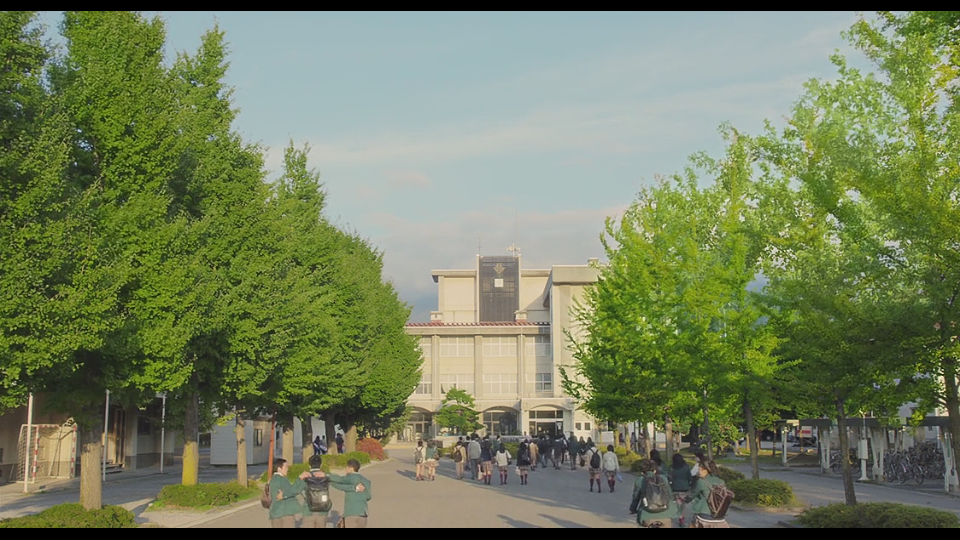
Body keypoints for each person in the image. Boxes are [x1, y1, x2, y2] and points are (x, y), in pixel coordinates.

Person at [629, 459, 680, 528]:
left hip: (646, 515)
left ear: (642, 472)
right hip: (666, 514)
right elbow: (670, 496)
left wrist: (633, 509)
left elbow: (636, 498)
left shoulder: (640, 480)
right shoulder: (663, 478)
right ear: (655, 470)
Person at [325, 459, 371, 528]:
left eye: (347, 467)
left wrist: (327, 476)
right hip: (363, 513)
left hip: (350, 513)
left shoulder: (350, 477)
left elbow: (340, 480)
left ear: (351, 469)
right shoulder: (366, 481)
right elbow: (368, 496)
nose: (346, 469)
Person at [268, 458, 311, 528]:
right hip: (285, 512)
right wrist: (301, 479)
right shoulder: (282, 479)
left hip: (275, 513)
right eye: (286, 466)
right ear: (279, 468)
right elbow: (293, 490)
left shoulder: (272, 479)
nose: (287, 469)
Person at [685, 460, 729, 528]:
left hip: (704, 516)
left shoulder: (701, 481)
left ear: (705, 470)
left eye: (699, 469)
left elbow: (693, 494)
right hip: (720, 515)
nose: (698, 472)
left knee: (692, 524)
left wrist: (686, 499)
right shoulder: (721, 481)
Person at [301, 454, 329, 528]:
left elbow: (297, 490)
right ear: (321, 465)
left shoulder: (305, 476)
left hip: (308, 510)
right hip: (322, 511)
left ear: (309, 465)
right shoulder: (324, 476)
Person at [669, 453, 692, 527]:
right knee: (683, 505)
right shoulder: (686, 467)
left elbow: (669, 477)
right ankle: (682, 518)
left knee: (676, 504)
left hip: (675, 488)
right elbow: (690, 477)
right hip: (684, 488)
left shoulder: (672, 468)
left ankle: (677, 517)